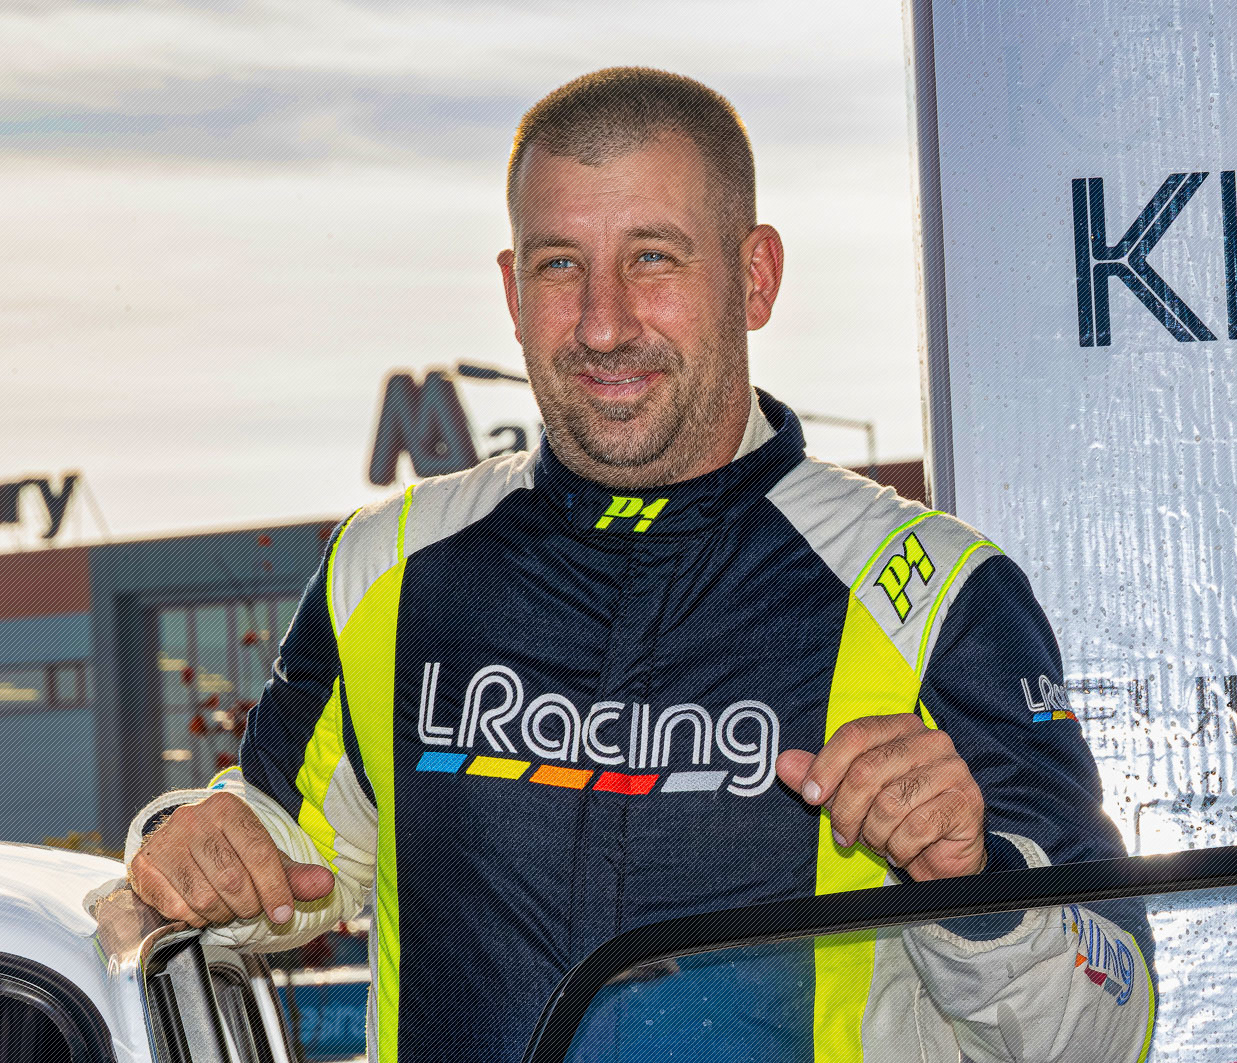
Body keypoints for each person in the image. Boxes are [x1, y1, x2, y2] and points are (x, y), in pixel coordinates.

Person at [122, 67, 1152, 1062]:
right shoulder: (387, 565)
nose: (603, 323)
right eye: (559, 265)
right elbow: (273, 855)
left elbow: (1107, 1027)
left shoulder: (934, 593)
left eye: (652, 258)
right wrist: (180, 844)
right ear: (510, 289)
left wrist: (972, 885)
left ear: (755, 277)